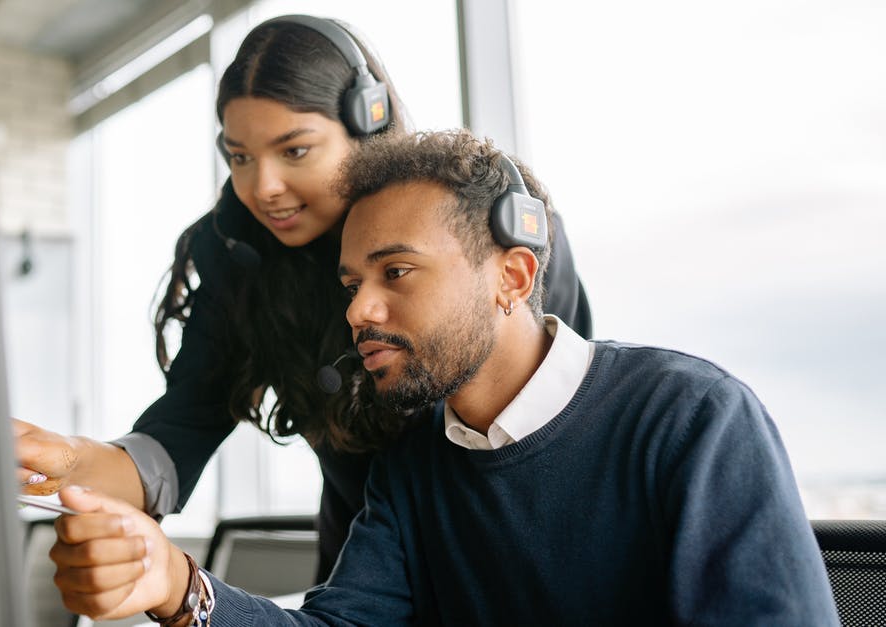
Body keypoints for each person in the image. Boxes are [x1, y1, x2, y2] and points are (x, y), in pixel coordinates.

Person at [45, 129, 840, 625]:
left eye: (397, 271)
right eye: (354, 283)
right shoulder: (414, 459)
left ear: (513, 276)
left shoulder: (693, 421)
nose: (360, 310)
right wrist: (177, 583)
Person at [15, 15, 592, 582]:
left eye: (294, 151)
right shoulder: (238, 256)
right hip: (359, 574)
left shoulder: (496, 234)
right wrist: (65, 462)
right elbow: (179, 433)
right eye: (239, 156)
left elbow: (566, 423)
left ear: (368, 126)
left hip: (507, 554)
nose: (262, 187)